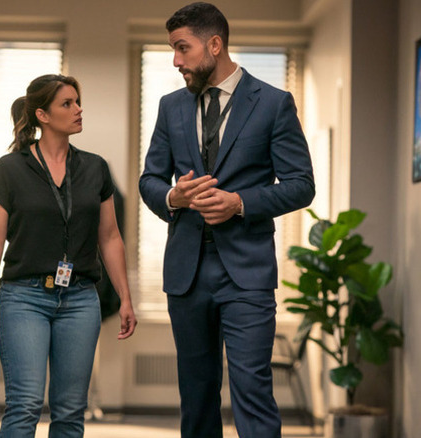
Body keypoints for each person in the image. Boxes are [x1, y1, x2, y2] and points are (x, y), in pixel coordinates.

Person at [138, 3, 315, 437]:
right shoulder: (170, 107)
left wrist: (239, 202)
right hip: (186, 274)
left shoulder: (274, 104)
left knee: (252, 391)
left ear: (214, 45)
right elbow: (150, 180)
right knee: (196, 397)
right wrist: (173, 197)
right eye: (173, 49)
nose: (176, 60)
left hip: (247, 273)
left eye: (183, 48)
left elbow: (301, 184)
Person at [0, 74, 137, 438]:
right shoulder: (9, 169)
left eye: (78, 102)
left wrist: (125, 298)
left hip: (81, 298)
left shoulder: (96, 168)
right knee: (25, 405)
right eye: (68, 104)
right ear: (42, 115)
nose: (79, 110)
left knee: (69, 412)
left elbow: (110, 237)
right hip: (25, 297)